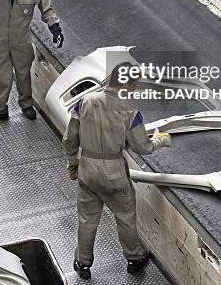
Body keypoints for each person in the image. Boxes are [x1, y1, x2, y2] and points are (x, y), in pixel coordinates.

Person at [63, 62, 172, 280]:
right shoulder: (129, 110)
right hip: (113, 172)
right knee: (125, 217)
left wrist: (72, 162)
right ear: (126, 84)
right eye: (134, 85)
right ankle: (133, 259)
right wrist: (161, 140)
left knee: (87, 219)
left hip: (87, 169)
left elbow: (70, 138)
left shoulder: (85, 101)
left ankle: (82, 263)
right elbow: (143, 147)